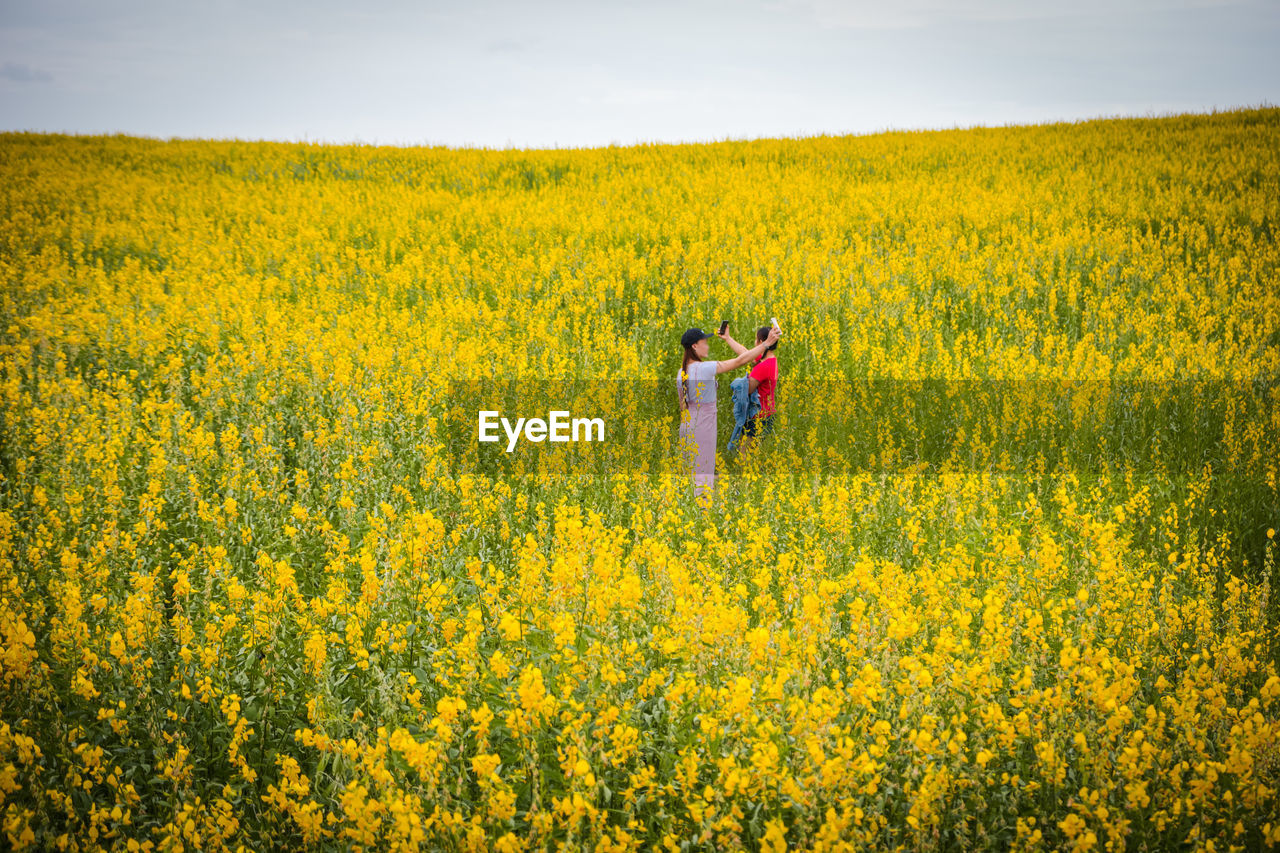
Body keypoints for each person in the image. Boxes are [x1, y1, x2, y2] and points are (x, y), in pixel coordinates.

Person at [678, 324, 781, 500]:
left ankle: (688, 507)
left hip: (687, 424)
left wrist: (728, 339)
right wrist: (766, 344)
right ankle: (702, 511)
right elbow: (740, 361)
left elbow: (683, 404)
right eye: (705, 342)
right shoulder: (705, 368)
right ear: (695, 346)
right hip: (704, 426)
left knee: (690, 471)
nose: (708, 346)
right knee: (704, 470)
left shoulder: (682, 372)